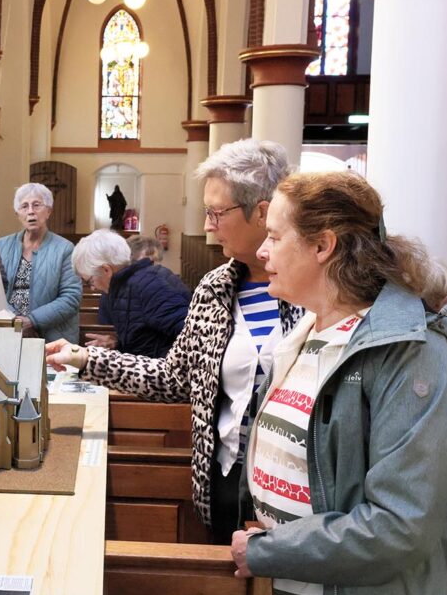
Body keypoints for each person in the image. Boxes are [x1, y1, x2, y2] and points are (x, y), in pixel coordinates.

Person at [230, 171, 447, 595]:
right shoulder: (308, 332)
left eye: (275, 237)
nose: (262, 252)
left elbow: (399, 524)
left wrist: (269, 550)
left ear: (323, 245)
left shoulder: (415, 351)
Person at [45, 139, 302, 543]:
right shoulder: (216, 289)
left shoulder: (313, 292)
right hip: (225, 481)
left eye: (216, 212)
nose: (206, 226)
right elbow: (172, 377)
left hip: (295, 496)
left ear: (263, 213)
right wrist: (84, 359)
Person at [72, 229, 190, 358]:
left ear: (106, 270)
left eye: (90, 281)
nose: (92, 288)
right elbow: (145, 339)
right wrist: (117, 344)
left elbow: (191, 338)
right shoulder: (122, 287)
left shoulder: (150, 285)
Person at [0, 183, 81, 341]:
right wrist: (15, 322)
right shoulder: (2, 246)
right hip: (8, 332)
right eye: (24, 206)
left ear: (48, 211)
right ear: (17, 214)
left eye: (37, 205)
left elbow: (71, 298)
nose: (30, 211)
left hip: (52, 336)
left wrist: (32, 321)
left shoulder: (65, 249)